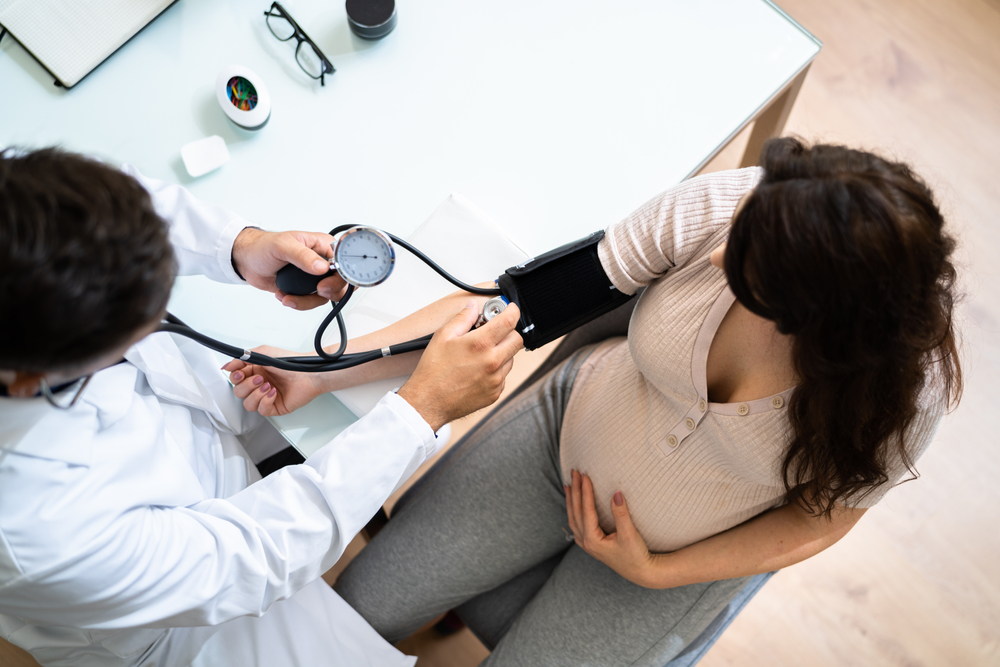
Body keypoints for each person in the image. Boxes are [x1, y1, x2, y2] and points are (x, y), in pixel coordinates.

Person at [233, 138, 963, 666]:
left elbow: (821, 520)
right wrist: (323, 369)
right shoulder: (734, 207)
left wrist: (658, 572)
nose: (716, 256)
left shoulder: (901, 395)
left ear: (814, 319)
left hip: (671, 555)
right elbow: (511, 308)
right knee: (356, 608)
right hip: (563, 440)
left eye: (744, 271)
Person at [0, 147, 523, 667]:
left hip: (212, 431)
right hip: (178, 633)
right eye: (137, 331)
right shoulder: (35, 531)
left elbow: (123, 212)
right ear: (30, 380)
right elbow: (254, 553)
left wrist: (241, 246)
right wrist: (421, 409)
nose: (162, 321)